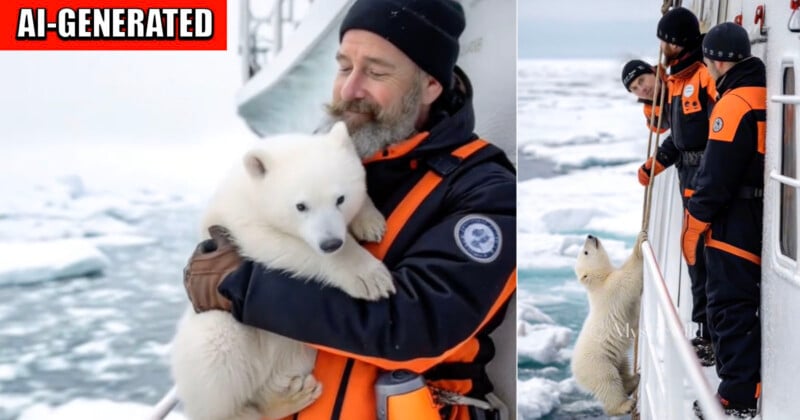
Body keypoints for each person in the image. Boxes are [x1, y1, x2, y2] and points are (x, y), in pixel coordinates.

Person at [182, 1, 517, 419]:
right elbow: (228, 236)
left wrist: (242, 287)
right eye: (344, 67)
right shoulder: (318, 166)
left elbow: (417, 329)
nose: (350, 89)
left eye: (375, 72)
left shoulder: (483, 190)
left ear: (431, 85)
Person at [683, 21, 765, 419]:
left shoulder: (734, 104)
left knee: (729, 305)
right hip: (761, 212)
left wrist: (695, 222)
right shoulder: (762, 91)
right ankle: (748, 386)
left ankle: (736, 399)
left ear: (714, 62)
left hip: (735, 219)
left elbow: (716, 177)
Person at [638, 7, 717, 366]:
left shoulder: (702, 76)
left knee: (708, 256)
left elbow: (718, 131)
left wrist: (714, 177)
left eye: (664, 39)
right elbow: (682, 138)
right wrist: (656, 164)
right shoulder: (678, 79)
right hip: (692, 179)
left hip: (706, 181)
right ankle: (705, 331)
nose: (660, 45)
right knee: (695, 255)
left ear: (677, 42)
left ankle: (712, 336)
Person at [621, 59, 669, 134]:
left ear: (653, 71)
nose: (642, 89)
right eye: (635, 88)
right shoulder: (650, 112)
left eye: (641, 80)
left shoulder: (679, 79)